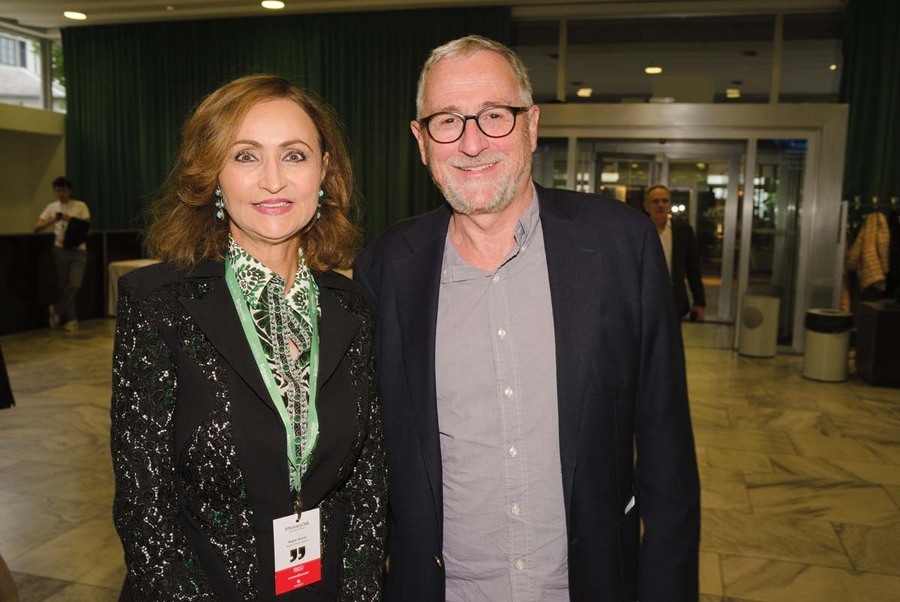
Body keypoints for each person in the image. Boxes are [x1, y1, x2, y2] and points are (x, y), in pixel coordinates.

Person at [354, 36, 700, 602]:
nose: (471, 143)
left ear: (532, 126)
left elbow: (667, 456)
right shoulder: (385, 268)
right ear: (421, 141)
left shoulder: (619, 246)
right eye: (447, 120)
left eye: (495, 115)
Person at [111, 74, 386, 601]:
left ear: (324, 170)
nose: (273, 181)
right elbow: (145, 506)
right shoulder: (158, 303)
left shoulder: (354, 306)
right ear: (212, 173)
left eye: (295, 155)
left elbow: (368, 483)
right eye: (245, 156)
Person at [34, 176, 91, 331]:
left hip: (78, 249)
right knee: (64, 284)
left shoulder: (80, 206)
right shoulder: (52, 207)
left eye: (64, 190)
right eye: (58, 191)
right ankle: (71, 319)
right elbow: (37, 227)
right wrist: (54, 219)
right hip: (60, 249)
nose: (61, 193)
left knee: (75, 283)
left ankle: (58, 310)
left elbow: (87, 227)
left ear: (69, 191)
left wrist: (70, 220)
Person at [644, 185, 707, 321]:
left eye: (665, 201)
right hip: (644, 301)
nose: (661, 205)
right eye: (655, 201)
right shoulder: (638, 231)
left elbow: (693, 268)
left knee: (672, 335)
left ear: (669, 204)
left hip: (674, 302)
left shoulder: (683, 231)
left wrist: (699, 301)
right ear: (646, 206)